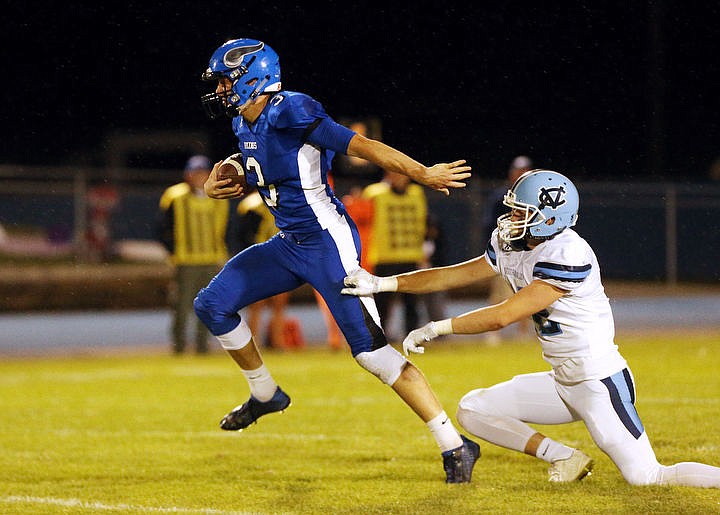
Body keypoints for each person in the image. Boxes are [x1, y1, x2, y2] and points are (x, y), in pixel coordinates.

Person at [193, 38, 478, 483]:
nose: (222, 91)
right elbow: (261, 165)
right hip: (289, 243)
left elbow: (360, 146)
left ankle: (455, 445)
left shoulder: (292, 110)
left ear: (252, 76)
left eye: (227, 81)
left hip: (327, 244)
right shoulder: (243, 124)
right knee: (212, 304)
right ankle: (265, 394)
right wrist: (222, 176)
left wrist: (422, 172)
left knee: (371, 353)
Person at [342, 169, 720, 487]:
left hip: (597, 381)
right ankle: (565, 457)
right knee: (473, 410)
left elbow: (504, 315)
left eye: (523, 213)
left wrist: (437, 327)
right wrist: (385, 284)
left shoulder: (567, 252)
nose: (512, 220)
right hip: (562, 381)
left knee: (647, 476)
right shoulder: (516, 244)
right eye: (514, 210)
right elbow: (455, 275)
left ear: (551, 218)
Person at [157, 155, 229, 354]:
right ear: (188, 175)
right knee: (181, 307)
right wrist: (172, 253)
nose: (199, 176)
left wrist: (223, 255)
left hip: (211, 259)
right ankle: (178, 347)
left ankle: (202, 347)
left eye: (202, 172)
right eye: (195, 172)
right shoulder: (175, 196)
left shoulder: (218, 197)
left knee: (208, 307)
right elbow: (163, 228)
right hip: (185, 261)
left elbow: (226, 229)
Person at [362, 170, 427, 340]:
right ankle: (377, 337)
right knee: (382, 302)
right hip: (384, 257)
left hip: (410, 256)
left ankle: (412, 336)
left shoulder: (416, 193)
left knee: (411, 302)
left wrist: (423, 252)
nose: (399, 178)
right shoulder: (374, 193)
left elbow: (422, 223)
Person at [482, 155, 534, 344]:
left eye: (524, 171)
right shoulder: (501, 196)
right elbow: (489, 224)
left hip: (528, 253)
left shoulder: (534, 196)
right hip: (507, 252)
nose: (521, 174)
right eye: (518, 171)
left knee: (527, 294)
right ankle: (492, 333)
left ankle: (523, 332)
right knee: (499, 294)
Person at [232, 190, 292, 350]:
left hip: (281, 262)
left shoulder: (284, 201)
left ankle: (277, 342)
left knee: (279, 304)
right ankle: (254, 342)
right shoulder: (251, 206)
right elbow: (243, 237)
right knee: (256, 305)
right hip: (259, 262)